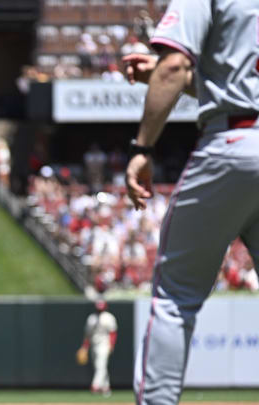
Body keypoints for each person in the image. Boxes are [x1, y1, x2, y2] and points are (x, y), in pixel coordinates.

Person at [122, 1, 259, 403]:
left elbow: (174, 65)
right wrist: (182, 78)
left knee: (174, 297)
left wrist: (142, 147)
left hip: (234, 142)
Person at [76, 300, 117, 396]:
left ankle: (95, 386)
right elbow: (88, 334)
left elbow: (113, 333)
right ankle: (106, 388)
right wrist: (84, 347)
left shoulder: (108, 317)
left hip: (104, 344)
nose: (100, 310)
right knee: (99, 366)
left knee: (100, 365)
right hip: (94, 344)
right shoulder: (92, 318)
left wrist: (111, 344)